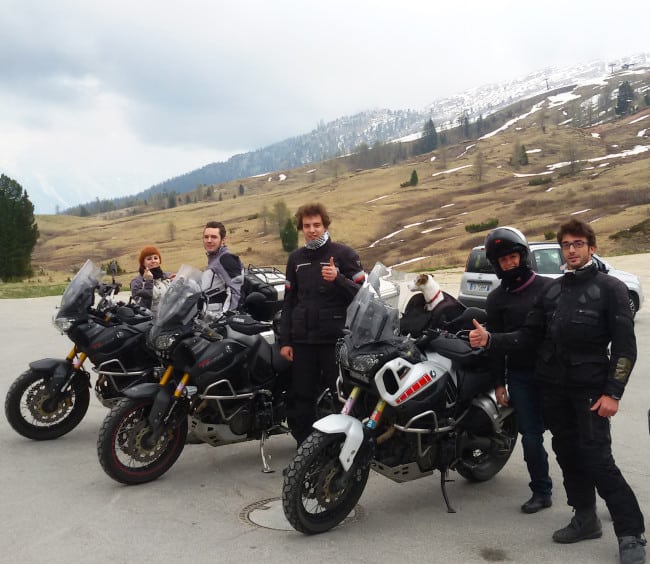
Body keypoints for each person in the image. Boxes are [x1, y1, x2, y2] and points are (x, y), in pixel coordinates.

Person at [469, 218, 645, 564]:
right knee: (567, 455)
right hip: (555, 390)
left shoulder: (611, 289)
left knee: (598, 459)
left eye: (579, 244)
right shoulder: (552, 290)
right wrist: (491, 340)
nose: (572, 250)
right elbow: (527, 337)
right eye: (566, 245)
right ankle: (585, 518)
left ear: (591, 248)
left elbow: (626, 349)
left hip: (591, 391)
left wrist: (614, 393)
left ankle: (630, 532)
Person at [278, 202, 365, 445]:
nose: (312, 230)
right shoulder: (295, 259)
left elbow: (364, 295)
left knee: (341, 397)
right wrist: (286, 341)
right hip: (303, 341)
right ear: (301, 229)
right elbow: (289, 303)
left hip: (334, 341)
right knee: (301, 398)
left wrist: (338, 279)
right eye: (307, 226)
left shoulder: (344, 254)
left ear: (325, 225)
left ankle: (346, 447)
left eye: (317, 225)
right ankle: (305, 450)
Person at [482, 227, 553, 514]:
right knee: (531, 437)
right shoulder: (496, 299)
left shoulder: (548, 288)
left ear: (522, 256)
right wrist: (500, 384)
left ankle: (599, 491)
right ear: (497, 265)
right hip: (521, 375)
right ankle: (542, 491)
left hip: (554, 375)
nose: (509, 263)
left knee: (570, 436)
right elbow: (496, 346)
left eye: (512, 256)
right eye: (503, 260)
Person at [201, 221, 245, 317]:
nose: (209, 240)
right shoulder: (214, 258)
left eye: (214, 237)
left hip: (224, 320)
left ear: (223, 240)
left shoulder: (226, 258)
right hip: (212, 315)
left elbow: (237, 291)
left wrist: (228, 316)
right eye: (206, 237)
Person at [130, 245, 173, 315]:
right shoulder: (137, 282)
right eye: (149, 259)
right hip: (151, 321)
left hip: (170, 317)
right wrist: (148, 281)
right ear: (143, 263)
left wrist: (179, 279)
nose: (153, 261)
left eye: (155, 258)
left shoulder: (166, 276)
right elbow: (142, 306)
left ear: (159, 261)